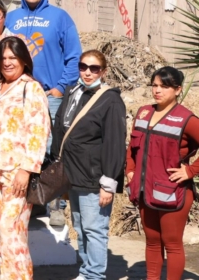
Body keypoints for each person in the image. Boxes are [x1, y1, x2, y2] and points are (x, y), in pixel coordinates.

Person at [0, 37, 49, 280]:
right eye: (3, 58)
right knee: (2, 233)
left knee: (12, 231)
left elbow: (39, 130)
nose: (7, 62)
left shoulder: (31, 88)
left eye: (13, 57)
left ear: (24, 60)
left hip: (17, 172)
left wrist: (27, 169)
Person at [6, 0, 81, 223]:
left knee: (49, 148)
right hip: (18, 94)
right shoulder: (12, 18)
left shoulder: (59, 17)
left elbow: (74, 57)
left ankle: (55, 204)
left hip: (50, 94)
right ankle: (30, 198)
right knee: (21, 146)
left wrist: (60, 87)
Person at [51, 50, 125, 280]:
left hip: (95, 178)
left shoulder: (110, 99)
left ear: (103, 71)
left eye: (94, 68)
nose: (88, 72)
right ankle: (87, 271)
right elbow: (60, 129)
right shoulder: (73, 91)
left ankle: (94, 275)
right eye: (83, 66)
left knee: (95, 230)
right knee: (81, 228)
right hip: (73, 174)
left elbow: (114, 142)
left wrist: (108, 182)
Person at [127, 66, 199, 280]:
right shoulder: (143, 112)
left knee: (173, 244)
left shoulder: (186, 119)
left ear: (177, 90)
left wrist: (190, 170)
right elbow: (132, 147)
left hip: (173, 192)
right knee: (151, 241)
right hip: (145, 191)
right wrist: (130, 170)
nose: (157, 91)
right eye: (155, 85)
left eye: (164, 86)